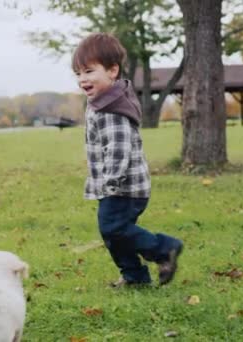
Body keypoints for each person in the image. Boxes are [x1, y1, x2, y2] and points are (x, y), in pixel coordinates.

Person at [72, 33, 183, 287]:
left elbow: (119, 149)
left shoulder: (112, 109)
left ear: (113, 71)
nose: (82, 79)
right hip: (118, 186)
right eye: (78, 73)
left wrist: (110, 182)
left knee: (113, 229)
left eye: (89, 71)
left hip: (123, 187)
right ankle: (134, 277)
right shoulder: (101, 102)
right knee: (112, 233)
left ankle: (164, 249)